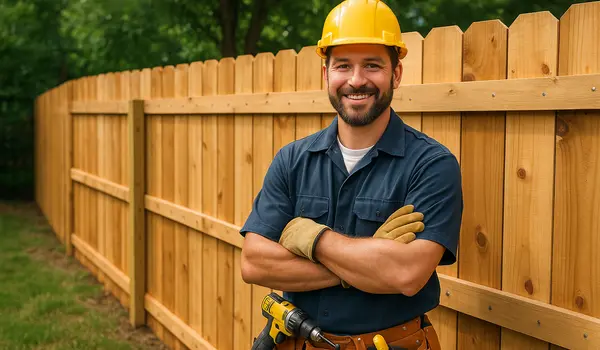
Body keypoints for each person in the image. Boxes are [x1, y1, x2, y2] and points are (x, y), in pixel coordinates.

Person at [239, 0, 463, 349]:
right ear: (327, 75)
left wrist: (313, 239)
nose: (356, 81)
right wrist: (369, 263)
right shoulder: (292, 160)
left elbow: (407, 275)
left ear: (396, 74)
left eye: (372, 65)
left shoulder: (432, 165)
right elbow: (255, 263)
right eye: (343, 66)